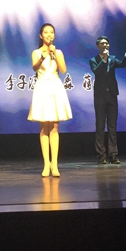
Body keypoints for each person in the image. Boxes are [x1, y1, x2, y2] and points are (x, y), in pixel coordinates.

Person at [27, 23, 72, 177]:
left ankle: (55, 164)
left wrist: (54, 54)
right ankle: (46, 164)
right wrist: (43, 57)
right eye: (46, 32)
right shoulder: (36, 52)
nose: (49, 35)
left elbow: (63, 70)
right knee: (43, 127)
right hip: (42, 88)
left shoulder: (58, 52)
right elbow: (35, 67)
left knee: (54, 127)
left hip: (55, 87)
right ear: (41, 36)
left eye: (51, 32)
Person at [89, 36, 126, 164]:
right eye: (102, 44)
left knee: (112, 126)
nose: (105, 45)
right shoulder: (93, 60)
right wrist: (104, 59)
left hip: (112, 95)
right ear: (98, 46)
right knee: (100, 126)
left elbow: (123, 64)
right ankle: (101, 155)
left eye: (107, 44)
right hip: (100, 96)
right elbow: (97, 72)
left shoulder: (112, 59)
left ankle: (113, 155)